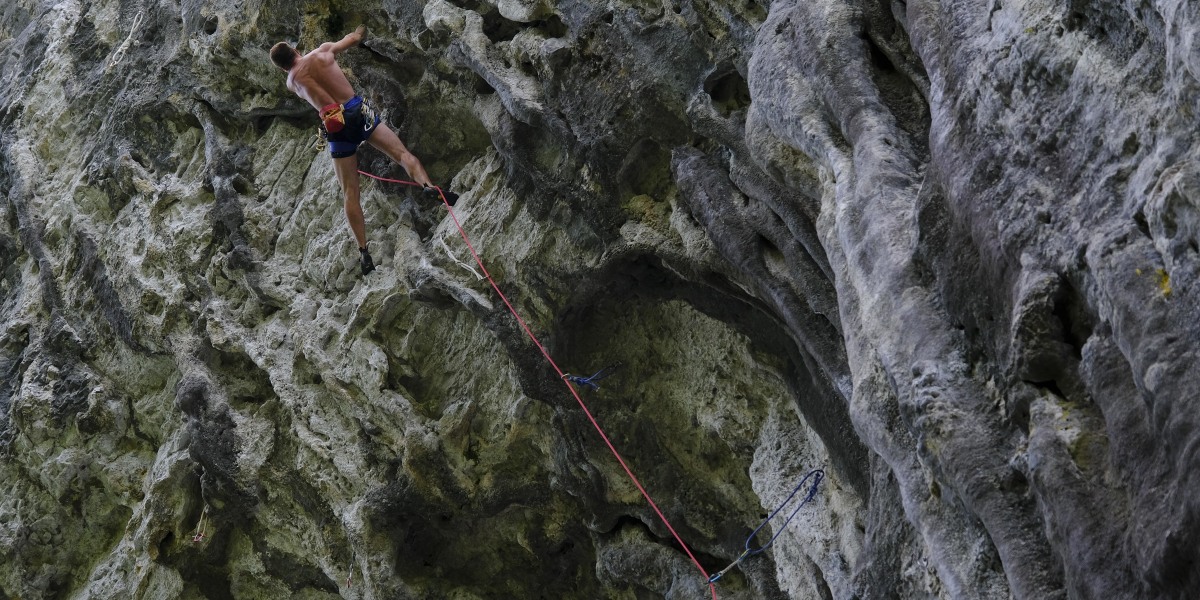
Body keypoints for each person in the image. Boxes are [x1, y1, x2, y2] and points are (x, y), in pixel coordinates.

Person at [270, 25, 458, 275]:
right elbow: (354, 38)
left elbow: (306, 84)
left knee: (350, 191)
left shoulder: (291, 82)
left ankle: (364, 251)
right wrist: (360, 28)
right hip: (357, 109)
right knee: (401, 155)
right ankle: (428, 186)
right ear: (295, 49)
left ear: (283, 67)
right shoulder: (322, 52)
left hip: (335, 124)